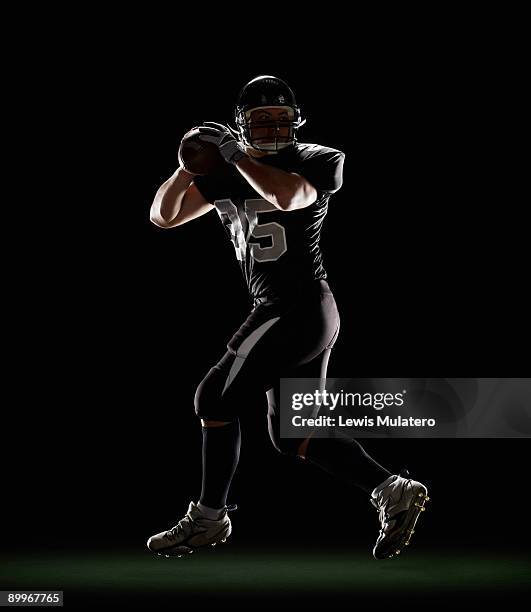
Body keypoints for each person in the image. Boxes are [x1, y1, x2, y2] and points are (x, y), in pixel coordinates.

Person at [147, 75, 429, 560]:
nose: (273, 127)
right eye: (261, 120)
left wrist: (235, 155)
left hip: (296, 305)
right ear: (243, 122)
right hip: (294, 311)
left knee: (214, 396)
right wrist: (183, 169)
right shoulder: (224, 170)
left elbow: (289, 198)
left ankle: (208, 518)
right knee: (295, 435)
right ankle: (392, 488)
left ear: (297, 121)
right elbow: (163, 217)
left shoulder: (318, 158)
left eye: (281, 118)